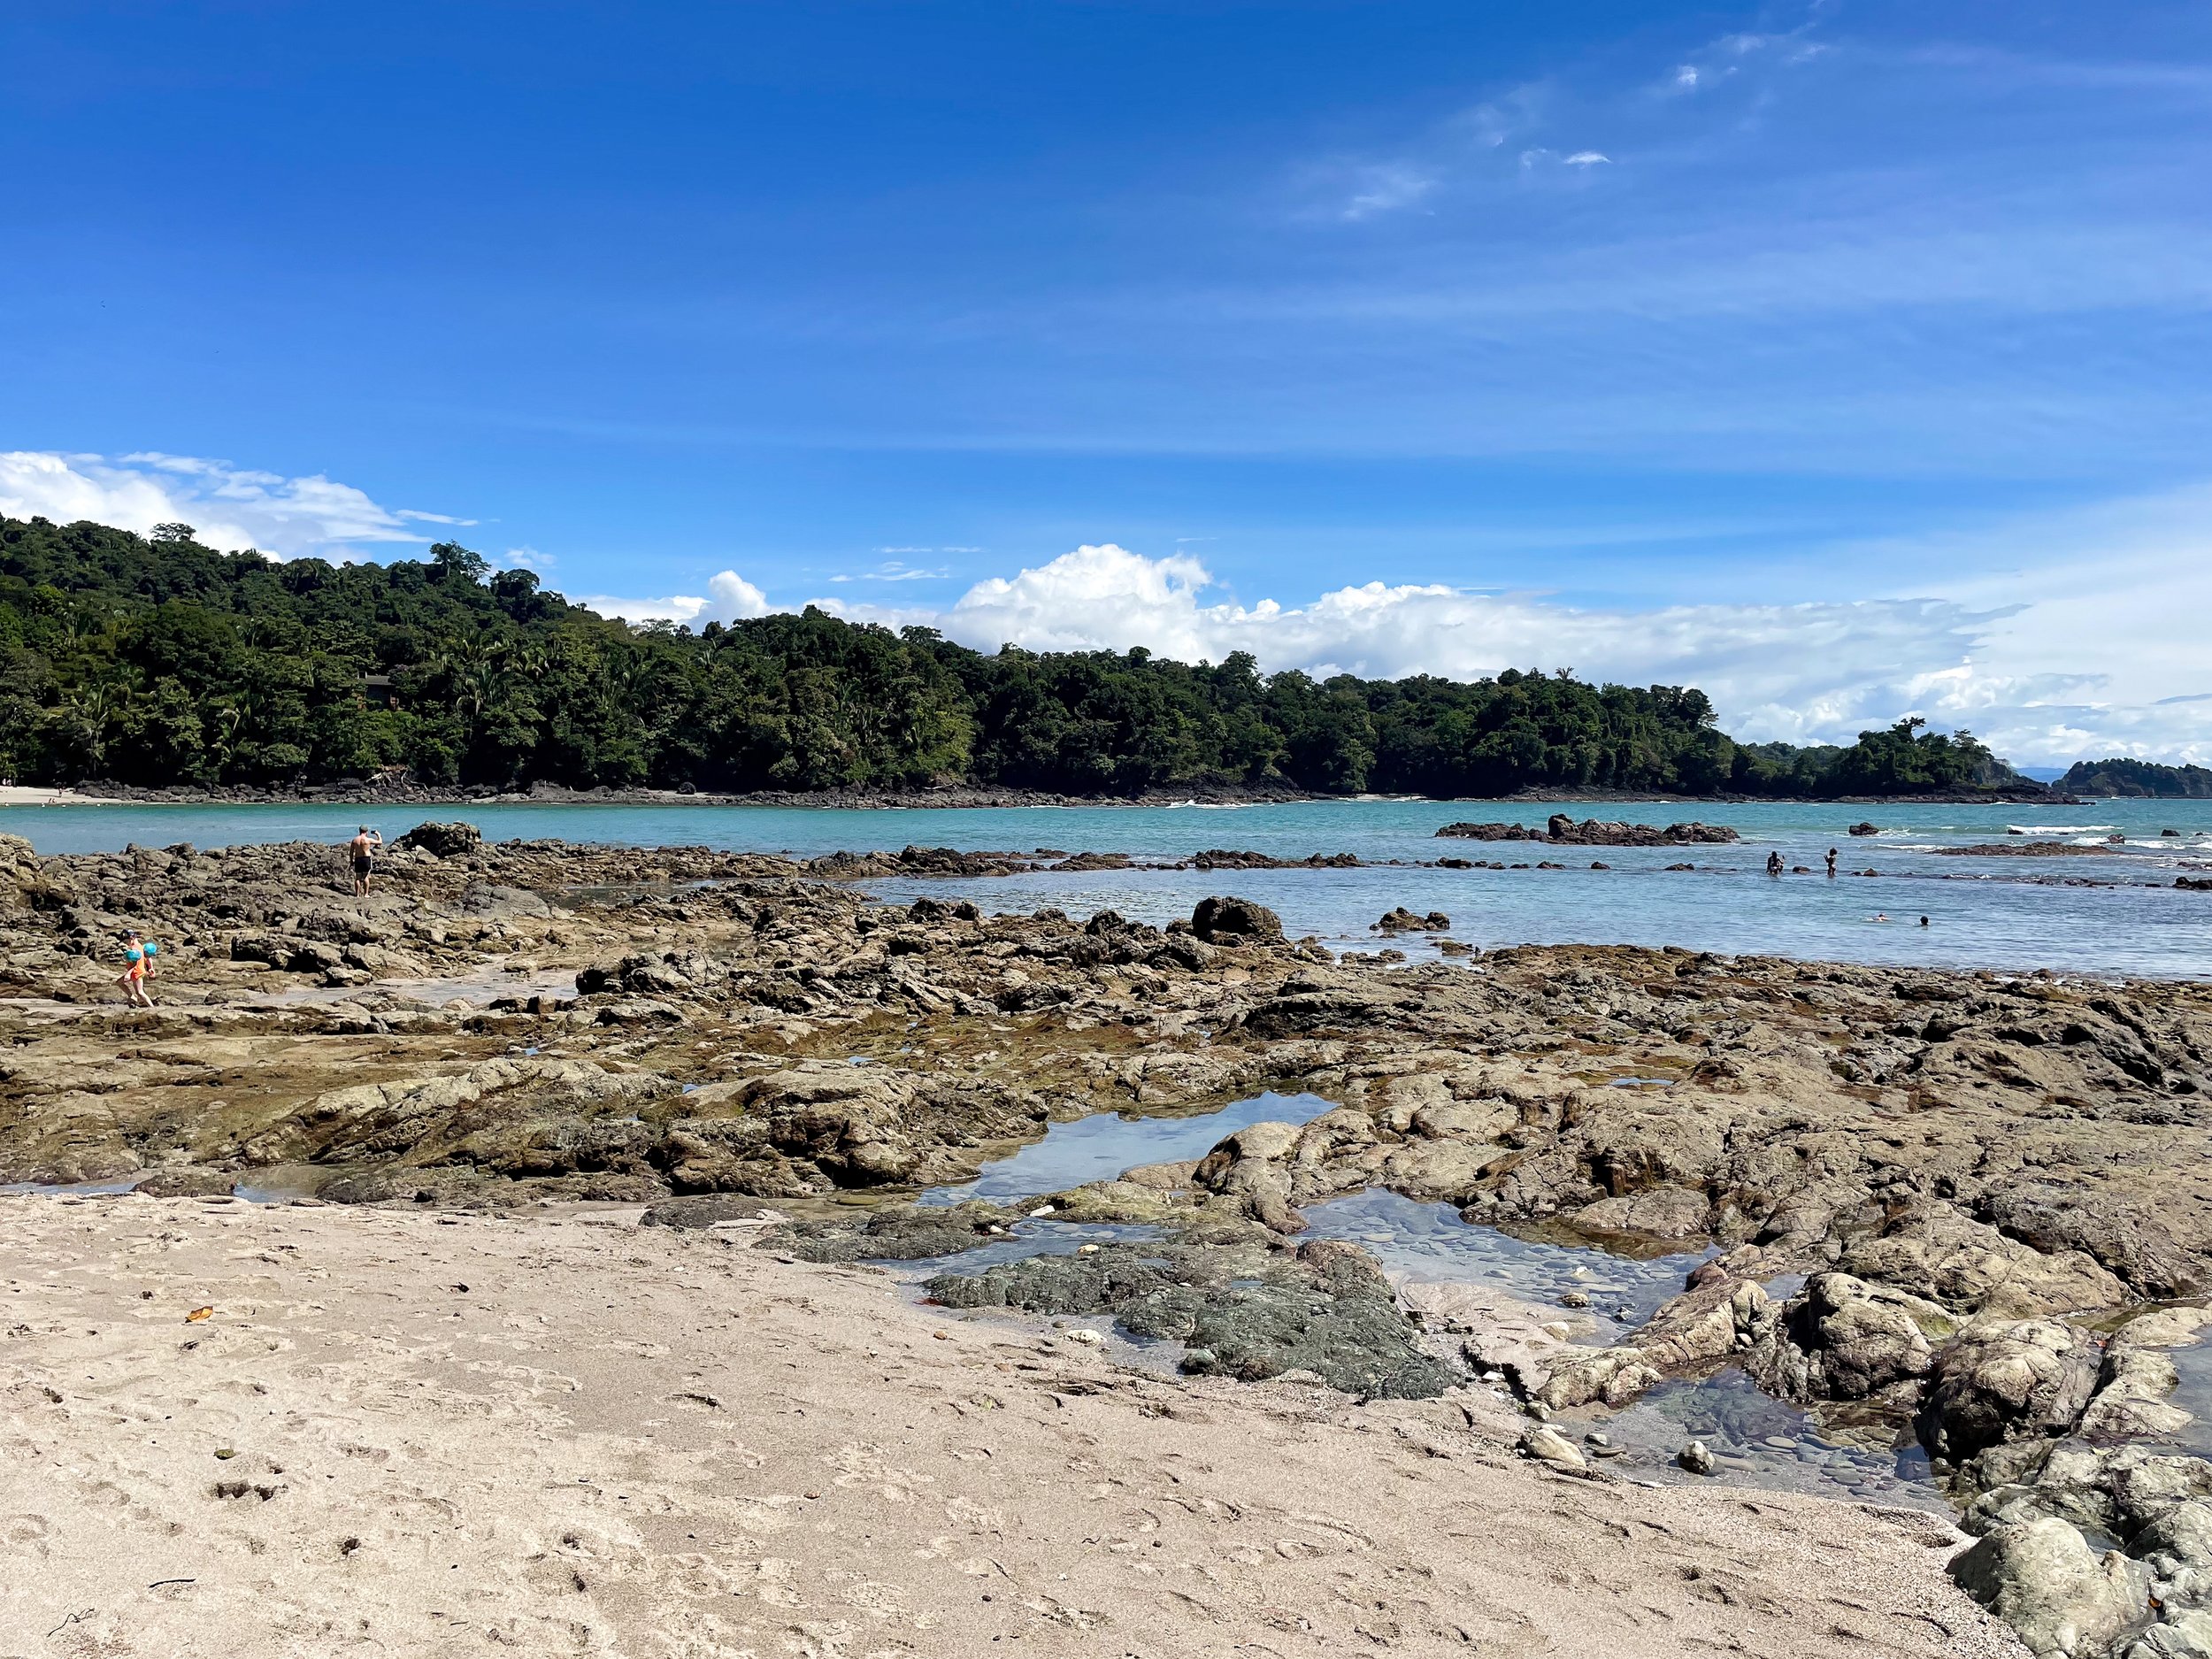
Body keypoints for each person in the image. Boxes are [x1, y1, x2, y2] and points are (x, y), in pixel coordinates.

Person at [116, 930, 155, 1008]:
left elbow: (134, 964)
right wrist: (150, 967)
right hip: (136, 971)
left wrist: (128, 974)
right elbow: (148, 957)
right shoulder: (140, 946)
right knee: (120, 983)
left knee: (140, 992)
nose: (126, 943)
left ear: (131, 938)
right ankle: (132, 997)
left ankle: (152, 1007)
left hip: (137, 972)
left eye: (126, 941)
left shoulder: (134, 949)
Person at [348, 826, 383, 895]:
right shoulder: (368, 840)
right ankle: (366, 894)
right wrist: (378, 834)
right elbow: (380, 842)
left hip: (358, 859)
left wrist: (351, 861)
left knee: (358, 877)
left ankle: (357, 894)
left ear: (359, 831)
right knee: (365, 877)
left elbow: (351, 852)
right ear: (366, 832)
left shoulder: (354, 840)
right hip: (366, 859)